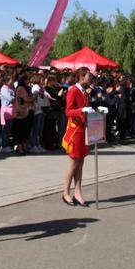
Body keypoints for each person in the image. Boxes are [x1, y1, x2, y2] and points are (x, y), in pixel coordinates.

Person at [61, 67, 91, 206]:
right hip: (75, 131)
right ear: (82, 76)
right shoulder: (73, 90)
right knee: (73, 164)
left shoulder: (84, 91)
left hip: (82, 130)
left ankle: (78, 192)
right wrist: (81, 110)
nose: (90, 79)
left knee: (80, 164)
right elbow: (68, 111)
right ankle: (65, 192)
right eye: (88, 76)